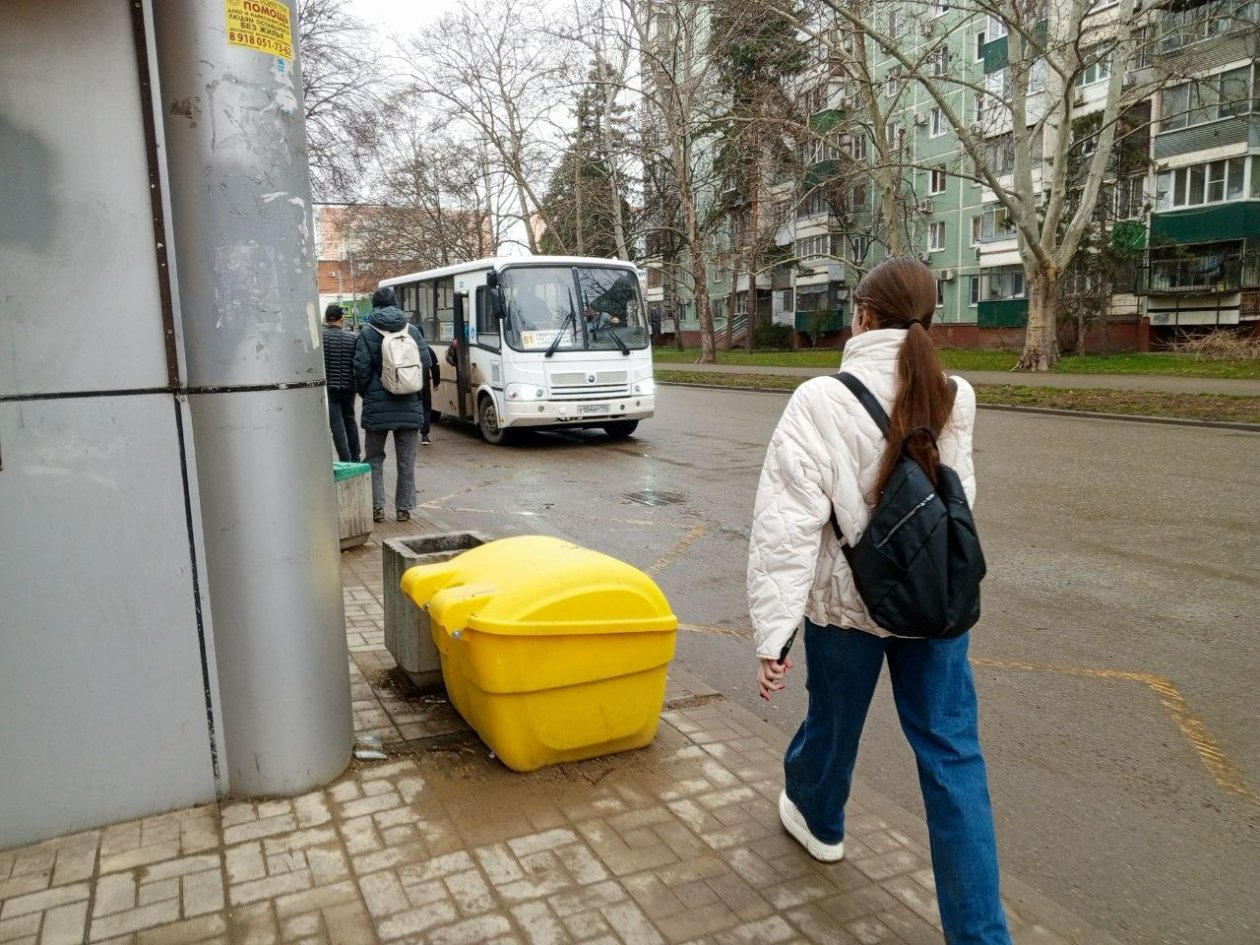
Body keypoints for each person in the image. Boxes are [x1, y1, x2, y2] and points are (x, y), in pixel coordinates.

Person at [747, 257, 1010, 945]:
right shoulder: (954, 394)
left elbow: (786, 528)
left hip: (847, 609)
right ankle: (981, 936)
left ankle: (820, 820)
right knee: (953, 760)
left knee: (833, 725)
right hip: (933, 609)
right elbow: (957, 499)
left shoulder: (820, 400)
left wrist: (775, 636)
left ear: (862, 316)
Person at [353, 286, 427, 523]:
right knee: (406, 460)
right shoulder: (411, 330)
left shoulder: (367, 332)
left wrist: (368, 393)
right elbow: (424, 363)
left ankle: (377, 507)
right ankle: (403, 508)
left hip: (377, 406)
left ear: (374, 305)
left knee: (374, 457)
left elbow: (361, 369)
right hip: (409, 403)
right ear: (396, 303)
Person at [322, 304, 360, 463]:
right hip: (348, 388)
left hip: (329, 389)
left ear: (326, 319)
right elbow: (358, 363)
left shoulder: (320, 339)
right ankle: (356, 458)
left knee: (336, 426)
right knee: (350, 421)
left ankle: (345, 459)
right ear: (341, 320)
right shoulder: (353, 338)